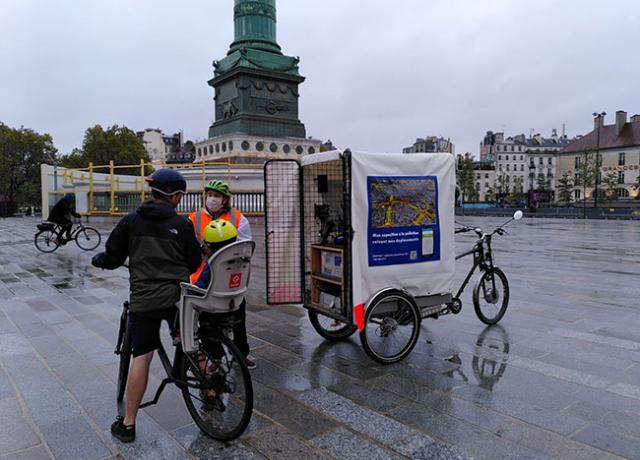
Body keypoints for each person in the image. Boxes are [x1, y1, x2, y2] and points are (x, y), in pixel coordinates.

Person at [91, 169, 202, 443]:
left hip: (145, 301)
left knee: (142, 356)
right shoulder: (183, 224)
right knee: (191, 340)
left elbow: (113, 255)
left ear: (154, 192)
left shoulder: (131, 221)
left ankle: (128, 424)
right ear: (174, 196)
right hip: (178, 298)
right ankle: (209, 391)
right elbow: (195, 262)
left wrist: (100, 261)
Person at [188, 180, 255, 369]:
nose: (212, 199)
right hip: (202, 277)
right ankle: (214, 357)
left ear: (225, 199)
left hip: (230, 278)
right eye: (209, 195)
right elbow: (187, 245)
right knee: (207, 321)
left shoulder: (238, 218)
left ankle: (242, 354)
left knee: (238, 314)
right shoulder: (194, 218)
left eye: (216, 196)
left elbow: (245, 247)